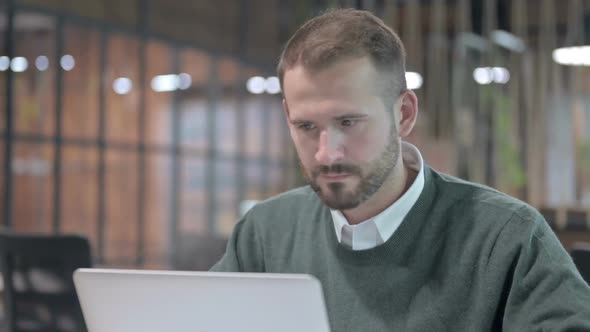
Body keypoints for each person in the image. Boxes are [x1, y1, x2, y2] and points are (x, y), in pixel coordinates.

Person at [211, 8, 590, 331]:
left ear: (404, 113)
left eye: (349, 122)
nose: (327, 153)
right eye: (306, 127)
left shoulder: (506, 237)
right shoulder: (264, 233)